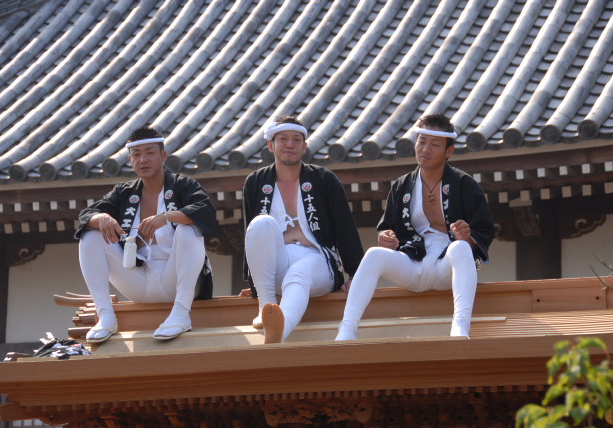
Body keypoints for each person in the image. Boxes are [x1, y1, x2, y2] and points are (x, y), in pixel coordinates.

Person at [335, 113, 494, 340]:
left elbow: (483, 231)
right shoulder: (402, 186)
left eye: (434, 144)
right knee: (373, 254)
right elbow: (387, 226)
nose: (425, 149)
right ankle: (347, 329)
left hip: (446, 266)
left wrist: (466, 238)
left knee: (461, 248)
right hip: (413, 261)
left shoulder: (464, 184)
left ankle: (460, 327)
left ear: (449, 151)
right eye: (422, 141)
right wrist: (386, 237)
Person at [75, 126, 216, 343]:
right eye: (136, 155)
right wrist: (101, 218)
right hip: (138, 282)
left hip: (176, 280)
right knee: (90, 235)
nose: (143, 160)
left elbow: (206, 212)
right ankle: (105, 317)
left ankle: (181, 314)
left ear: (163, 156)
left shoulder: (182, 185)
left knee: (188, 228)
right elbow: (86, 214)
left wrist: (167, 217)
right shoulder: (124, 193)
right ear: (130, 160)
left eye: (150, 153)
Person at [243, 115, 364, 344]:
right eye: (283, 139)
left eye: (296, 139)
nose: (290, 144)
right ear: (271, 145)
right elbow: (251, 237)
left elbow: (345, 227)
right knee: (260, 223)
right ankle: (266, 306)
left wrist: (355, 274)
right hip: (277, 262)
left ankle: (278, 332)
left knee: (299, 273)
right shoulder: (256, 182)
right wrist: (255, 283)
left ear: (304, 146)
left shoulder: (324, 179)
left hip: (318, 260)